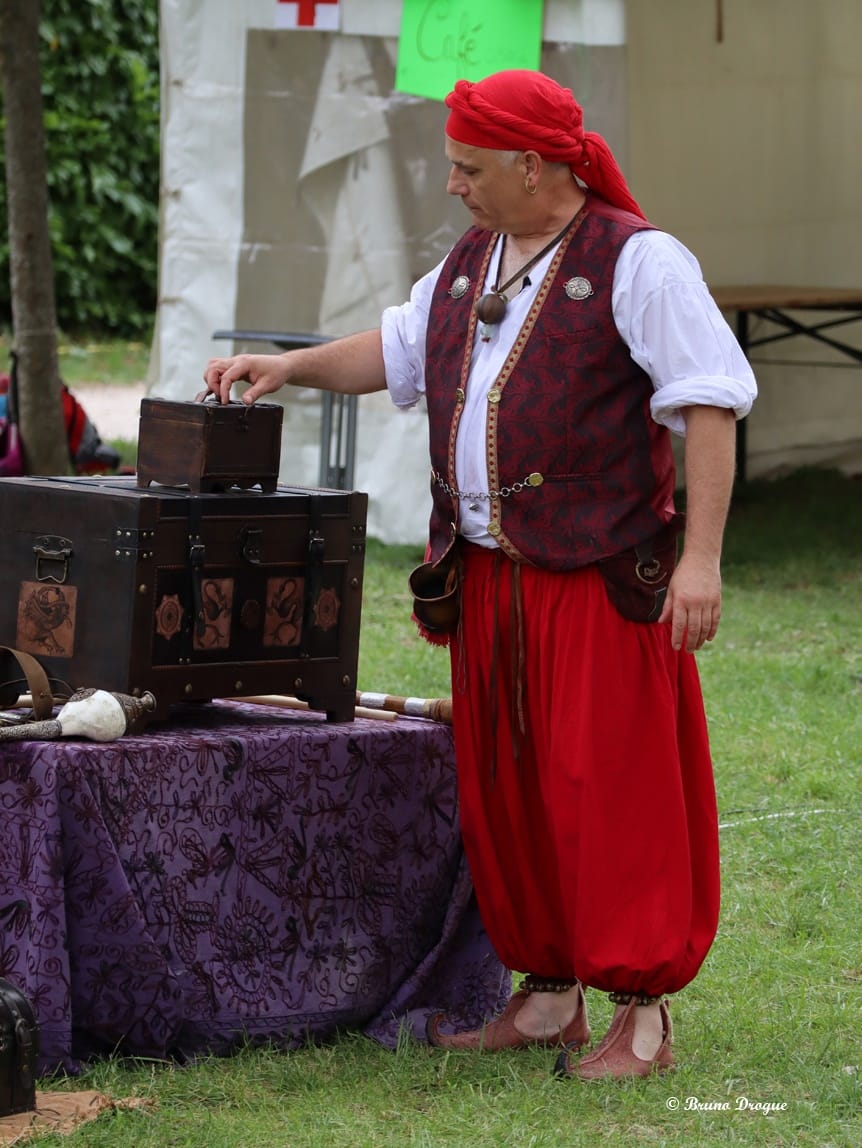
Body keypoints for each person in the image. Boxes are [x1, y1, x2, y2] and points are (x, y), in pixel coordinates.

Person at [202, 69, 757, 1081]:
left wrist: (702, 559)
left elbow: (708, 402)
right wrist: (288, 366)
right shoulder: (472, 260)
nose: (451, 182)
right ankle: (547, 995)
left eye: (468, 165)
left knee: (608, 787)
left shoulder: (639, 261)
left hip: (595, 575)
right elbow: (397, 350)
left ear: (534, 164)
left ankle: (640, 1015)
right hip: (491, 576)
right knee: (508, 788)